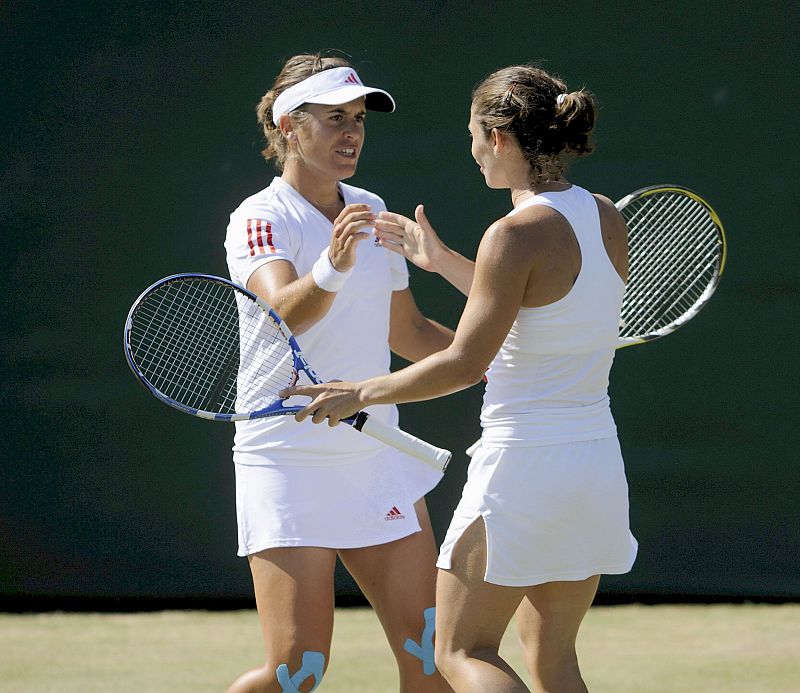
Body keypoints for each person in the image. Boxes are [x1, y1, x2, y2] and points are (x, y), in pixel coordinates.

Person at [284, 63, 639, 692]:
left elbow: (466, 361)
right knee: (551, 655)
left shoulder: (513, 233)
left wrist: (355, 393)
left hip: (524, 463)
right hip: (595, 464)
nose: (472, 151)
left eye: (475, 134)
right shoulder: (605, 215)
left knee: (461, 650)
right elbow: (536, 306)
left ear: (499, 138)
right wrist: (439, 259)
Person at [223, 53, 454, 693]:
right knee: (298, 671)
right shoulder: (259, 217)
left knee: (432, 657)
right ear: (289, 128)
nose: (351, 133)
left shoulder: (370, 208)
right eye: (333, 119)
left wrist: (489, 356)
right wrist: (333, 263)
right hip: (288, 457)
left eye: (357, 118)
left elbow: (405, 332)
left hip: (373, 451)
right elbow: (281, 313)